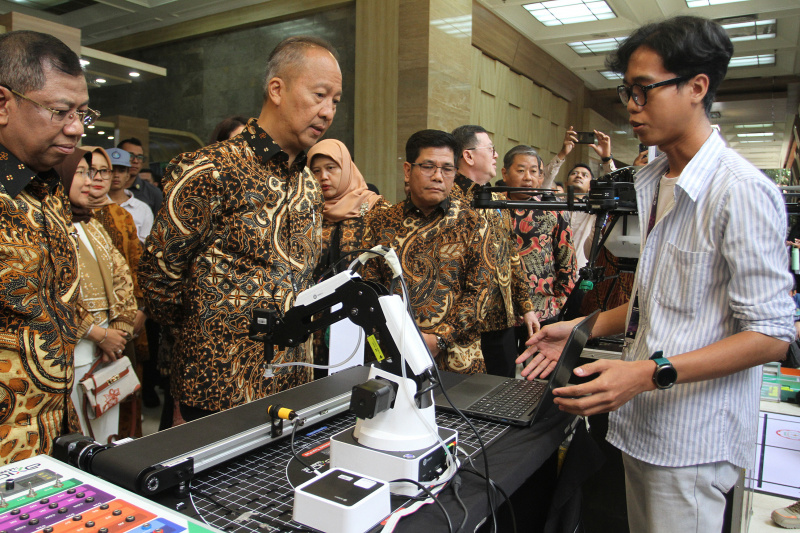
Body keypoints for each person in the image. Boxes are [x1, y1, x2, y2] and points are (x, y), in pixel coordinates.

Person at [518, 16, 795, 533]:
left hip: (691, 438)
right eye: (627, 91)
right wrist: (583, 328)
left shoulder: (739, 190)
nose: (631, 105)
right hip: (642, 424)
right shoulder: (653, 180)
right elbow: (661, 298)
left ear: (696, 87)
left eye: (644, 90)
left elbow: (772, 334)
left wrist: (645, 373)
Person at [139, 35, 342, 422]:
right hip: (219, 384)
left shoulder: (307, 184)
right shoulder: (209, 169)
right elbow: (159, 280)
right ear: (277, 89)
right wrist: (210, 331)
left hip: (292, 382)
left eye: (335, 101)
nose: (328, 111)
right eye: (319, 95)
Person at [0, 30, 99, 463]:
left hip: (51, 438)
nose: (76, 128)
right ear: (3, 104)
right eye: (60, 111)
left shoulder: (47, 191)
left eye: (82, 112)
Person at [361, 129, 489, 374]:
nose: (438, 176)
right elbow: (370, 286)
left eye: (447, 169)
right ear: (408, 170)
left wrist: (440, 338)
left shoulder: (473, 223)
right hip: (392, 352)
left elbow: (481, 292)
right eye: (428, 166)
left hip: (458, 360)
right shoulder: (380, 222)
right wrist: (398, 335)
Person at [450, 125, 537, 377]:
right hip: (465, 327)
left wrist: (526, 307)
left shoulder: (494, 200)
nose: (496, 155)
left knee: (503, 394)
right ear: (468, 156)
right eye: (491, 149)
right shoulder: (451, 202)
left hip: (503, 321)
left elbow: (512, 258)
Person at [63, 150, 137, 443]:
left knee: (106, 437)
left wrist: (118, 333)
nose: (89, 181)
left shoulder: (91, 223)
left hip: (108, 353)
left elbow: (122, 278)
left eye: (91, 173)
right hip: (74, 351)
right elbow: (51, 293)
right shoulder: (52, 226)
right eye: (80, 173)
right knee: (77, 436)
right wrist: (96, 334)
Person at [500, 145, 576, 325]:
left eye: (534, 172)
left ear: (541, 177)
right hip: (501, 313)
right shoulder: (491, 208)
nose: (528, 177)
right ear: (505, 173)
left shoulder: (553, 210)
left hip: (545, 309)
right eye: (520, 170)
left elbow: (567, 262)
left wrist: (559, 303)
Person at [106, 147, 153, 243]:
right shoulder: (94, 205)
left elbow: (145, 245)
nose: (116, 175)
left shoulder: (143, 209)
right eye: (111, 170)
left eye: (121, 170)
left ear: (128, 175)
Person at [118, 138, 163, 218]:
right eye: (130, 156)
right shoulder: (106, 188)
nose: (135, 161)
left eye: (140, 157)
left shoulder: (153, 193)